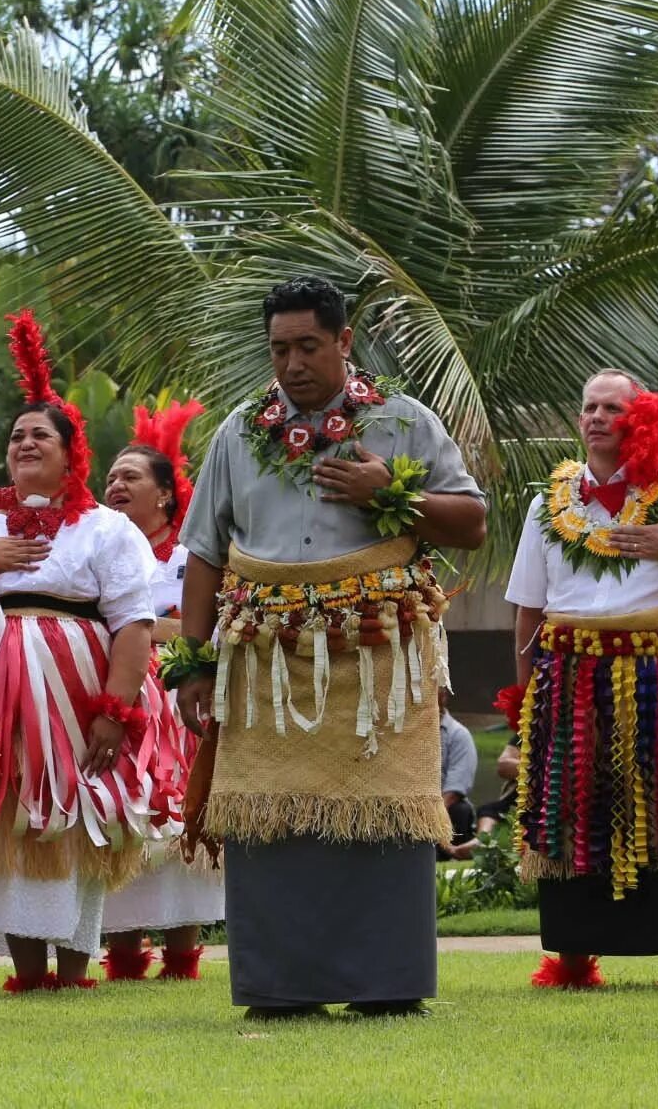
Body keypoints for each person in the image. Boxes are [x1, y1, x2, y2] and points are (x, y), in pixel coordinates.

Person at [174, 275, 487, 1018]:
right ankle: (280, 988)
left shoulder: (405, 424)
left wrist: (390, 492)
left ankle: (387, 985)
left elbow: (470, 522)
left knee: (382, 819)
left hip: (378, 658)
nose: (292, 364)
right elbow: (203, 554)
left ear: (345, 342)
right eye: (279, 349)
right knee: (272, 819)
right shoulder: (237, 433)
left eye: (309, 346)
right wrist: (193, 661)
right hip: (265, 661)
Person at [505, 371, 658, 989]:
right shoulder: (548, 502)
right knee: (572, 807)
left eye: (610, 408)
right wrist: (524, 702)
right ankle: (571, 962)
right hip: (570, 675)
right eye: (587, 406)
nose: (594, 417)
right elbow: (528, 611)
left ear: (640, 419)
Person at [0, 310, 159, 991]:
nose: (24, 443)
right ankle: (25, 970)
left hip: (75, 694)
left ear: (71, 453)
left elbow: (132, 623)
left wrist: (115, 709)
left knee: (77, 813)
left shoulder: (107, 529)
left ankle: (74, 966)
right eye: (16, 436)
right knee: (10, 812)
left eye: (40, 434)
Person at [100, 404, 226, 981]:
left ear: (166, 497)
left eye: (130, 476)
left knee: (178, 820)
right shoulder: (96, 554)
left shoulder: (187, 561)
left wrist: (147, 631)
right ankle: (122, 954)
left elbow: (208, 623)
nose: (115, 485)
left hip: (179, 705)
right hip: (120, 702)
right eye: (110, 478)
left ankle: (182, 957)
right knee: (123, 815)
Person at [438, 710, 478, 859]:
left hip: (444, 807)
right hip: (414, 806)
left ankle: (454, 854)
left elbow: (456, 787)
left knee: (460, 809)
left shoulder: (458, 734)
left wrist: (433, 816)